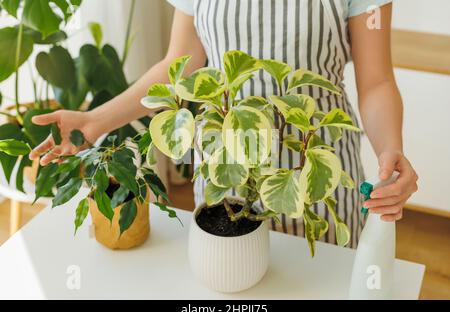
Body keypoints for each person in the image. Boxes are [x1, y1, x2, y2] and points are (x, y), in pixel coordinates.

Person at [29, 0, 418, 248]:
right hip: (227, 173)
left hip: (316, 174)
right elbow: (178, 65)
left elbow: (376, 82)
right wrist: (95, 121)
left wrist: (391, 150)